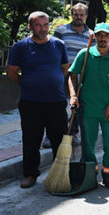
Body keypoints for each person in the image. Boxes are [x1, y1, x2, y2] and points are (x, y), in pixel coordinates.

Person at [7, 11, 70, 189]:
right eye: (37, 25)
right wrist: (27, 84)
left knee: (59, 140)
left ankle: (60, 174)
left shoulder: (59, 45)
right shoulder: (21, 47)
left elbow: (65, 68)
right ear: (30, 27)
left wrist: (53, 82)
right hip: (30, 103)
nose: (42, 29)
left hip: (56, 102)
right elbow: (11, 72)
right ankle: (30, 174)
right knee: (31, 140)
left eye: (45, 25)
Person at [68, 23, 109, 189]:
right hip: (88, 108)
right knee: (88, 144)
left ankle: (108, 174)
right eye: (99, 35)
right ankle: (90, 175)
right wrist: (73, 96)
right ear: (94, 36)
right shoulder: (85, 54)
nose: (102, 38)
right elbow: (72, 76)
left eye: (106, 35)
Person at [53, 2, 94, 145]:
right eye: (75, 14)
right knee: (58, 105)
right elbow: (53, 50)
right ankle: (52, 133)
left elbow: (93, 56)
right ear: (71, 15)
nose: (78, 17)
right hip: (61, 73)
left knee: (76, 105)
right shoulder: (61, 31)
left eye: (81, 15)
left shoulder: (91, 35)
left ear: (86, 16)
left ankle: (72, 133)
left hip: (80, 76)